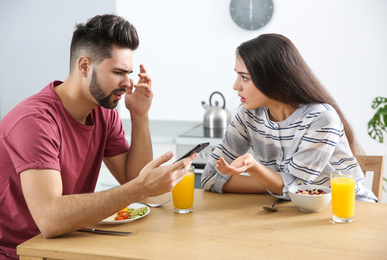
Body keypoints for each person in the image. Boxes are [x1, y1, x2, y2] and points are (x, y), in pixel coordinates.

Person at [0, 14, 197, 260]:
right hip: (23, 253)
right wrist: (136, 189)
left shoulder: (103, 112)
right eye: (118, 72)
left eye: (129, 73)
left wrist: (139, 115)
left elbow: (134, 180)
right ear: (84, 66)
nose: (127, 83)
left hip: (70, 244)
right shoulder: (36, 121)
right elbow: (49, 219)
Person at [201, 33, 377, 203]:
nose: (235, 86)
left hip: (349, 209)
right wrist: (277, 184)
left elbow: (294, 189)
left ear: (272, 78)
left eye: (244, 77)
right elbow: (209, 178)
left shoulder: (321, 118)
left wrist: (256, 169)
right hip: (295, 211)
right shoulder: (248, 116)